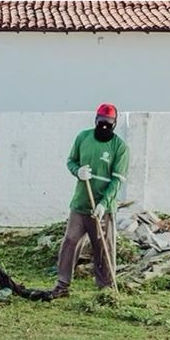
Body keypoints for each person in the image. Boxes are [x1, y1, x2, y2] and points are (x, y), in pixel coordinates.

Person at [52, 103, 128, 298]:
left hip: (102, 208)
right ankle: (62, 285)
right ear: (96, 120)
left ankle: (106, 290)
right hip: (80, 204)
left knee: (103, 247)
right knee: (70, 241)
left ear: (114, 124)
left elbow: (117, 180)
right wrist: (77, 171)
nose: (104, 127)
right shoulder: (83, 138)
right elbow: (71, 161)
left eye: (108, 124)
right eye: (101, 123)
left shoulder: (119, 147)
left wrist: (104, 203)